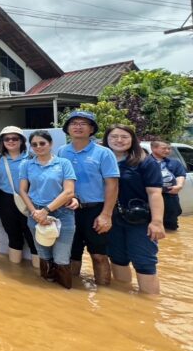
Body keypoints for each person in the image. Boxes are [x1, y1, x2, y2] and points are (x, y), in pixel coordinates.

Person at [58, 111, 119, 285]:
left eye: (83, 123)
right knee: (71, 254)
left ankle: (104, 297)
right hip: (68, 210)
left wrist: (106, 214)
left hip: (96, 209)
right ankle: (74, 295)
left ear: (91, 129)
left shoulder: (104, 153)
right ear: (67, 129)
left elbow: (112, 185)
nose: (78, 127)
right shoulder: (62, 152)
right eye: (74, 123)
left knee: (99, 255)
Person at [103, 125, 165, 294]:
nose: (119, 140)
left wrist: (157, 222)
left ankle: (150, 307)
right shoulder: (101, 160)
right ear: (106, 140)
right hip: (110, 219)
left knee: (144, 262)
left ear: (133, 140)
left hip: (139, 220)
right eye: (114, 137)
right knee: (117, 258)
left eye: (124, 137)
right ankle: (124, 303)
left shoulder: (145, 161)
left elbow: (154, 193)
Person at [19, 130, 77, 289]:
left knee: (61, 258)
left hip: (62, 214)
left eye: (42, 143)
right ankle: (48, 293)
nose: (38, 147)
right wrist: (35, 212)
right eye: (34, 144)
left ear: (50, 144)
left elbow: (69, 192)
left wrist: (45, 210)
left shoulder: (63, 163)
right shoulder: (27, 165)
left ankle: (65, 295)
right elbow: (23, 190)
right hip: (35, 214)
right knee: (44, 255)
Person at [0, 126, 38, 267]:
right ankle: (15, 272)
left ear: (22, 141)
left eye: (15, 138)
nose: (11, 141)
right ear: (2, 142)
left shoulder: (32, 158)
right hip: (6, 201)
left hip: (30, 201)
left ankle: (39, 273)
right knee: (13, 235)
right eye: (7, 139)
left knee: (33, 237)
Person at [150, 140, 186, 231]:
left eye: (169, 149)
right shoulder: (144, 162)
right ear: (153, 148)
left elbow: (180, 175)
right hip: (150, 198)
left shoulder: (175, 163)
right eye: (164, 148)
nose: (167, 151)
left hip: (170, 197)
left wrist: (179, 186)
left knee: (171, 227)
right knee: (150, 225)